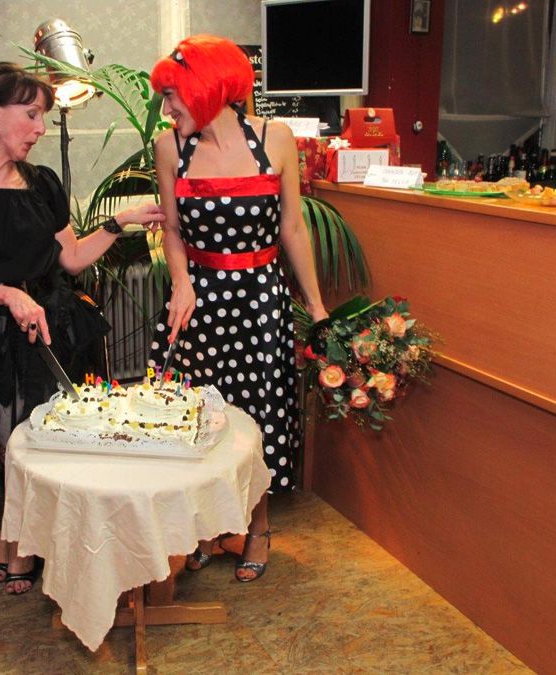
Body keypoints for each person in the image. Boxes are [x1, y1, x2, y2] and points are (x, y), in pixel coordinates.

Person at [0, 62, 163, 595]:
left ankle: (19, 545)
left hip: (38, 337)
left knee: (24, 452)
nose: (40, 129)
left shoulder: (42, 184)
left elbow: (71, 259)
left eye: (42, 117)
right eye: (30, 115)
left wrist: (120, 222)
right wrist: (6, 294)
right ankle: (5, 532)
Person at [147, 36, 328, 582]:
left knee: (257, 418)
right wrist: (181, 282)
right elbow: (172, 231)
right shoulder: (168, 147)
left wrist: (317, 307)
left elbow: (292, 228)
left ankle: (257, 527)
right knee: (198, 419)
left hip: (259, 302)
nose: (166, 107)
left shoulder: (276, 139)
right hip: (197, 303)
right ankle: (204, 530)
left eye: (172, 94)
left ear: (206, 88)